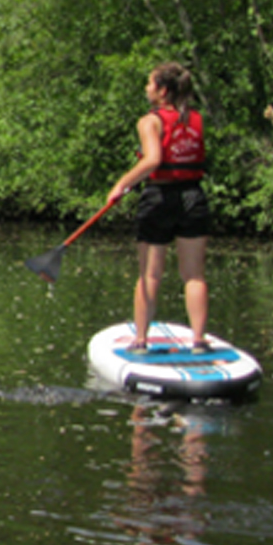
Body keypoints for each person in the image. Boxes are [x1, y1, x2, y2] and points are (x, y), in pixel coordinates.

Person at [106, 62, 210, 354]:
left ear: (163, 91)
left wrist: (121, 185)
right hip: (193, 196)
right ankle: (199, 341)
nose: (146, 88)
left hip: (160, 199)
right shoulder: (196, 118)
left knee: (150, 275)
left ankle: (140, 341)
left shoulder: (149, 121)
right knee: (194, 275)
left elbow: (152, 159)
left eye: (149, 84)